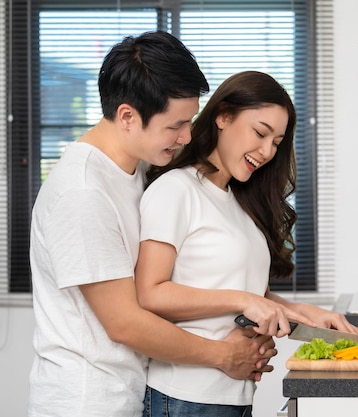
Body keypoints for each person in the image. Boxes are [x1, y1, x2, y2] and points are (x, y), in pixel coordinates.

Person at [28, 32, 288, 417]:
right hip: (87, 403)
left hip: (131, 394)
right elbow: (126, 323)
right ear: (128, 116)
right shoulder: (82, 192)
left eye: (190, 121)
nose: (186, 136)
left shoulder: (138, 170)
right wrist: (224, 355)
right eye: (175, 126)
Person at [134, 70, 358, 417]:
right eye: (260, 133)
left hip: (234, 394)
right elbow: (150, 293)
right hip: (185, 397)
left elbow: (240, 290)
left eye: (277, 142)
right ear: (223, 116)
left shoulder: (237, 202)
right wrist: (245, 299)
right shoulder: (176, 190)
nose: (267, 151)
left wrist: (306, 314)